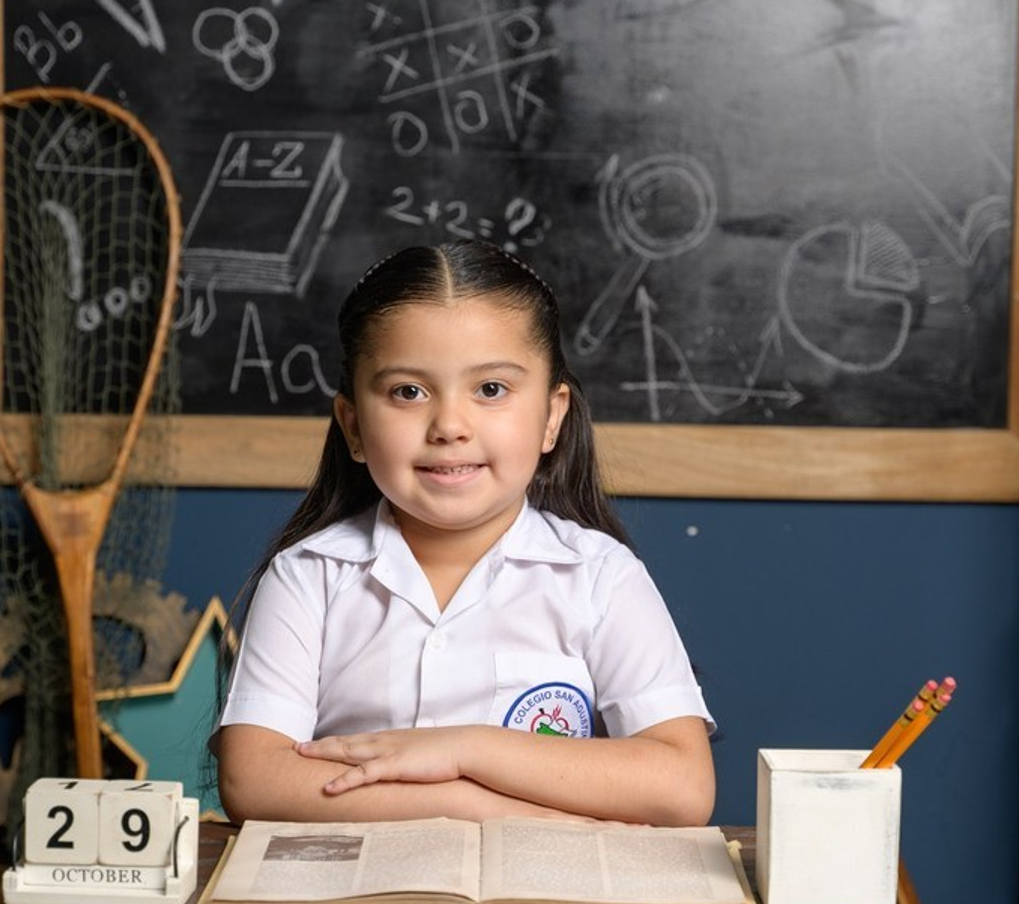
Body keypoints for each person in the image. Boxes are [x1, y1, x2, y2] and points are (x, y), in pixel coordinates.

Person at [214, 240, 715, 829]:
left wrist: (464, 749)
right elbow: (253, 780)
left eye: (491, 390)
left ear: (552, 417)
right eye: (408, 392)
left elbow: (682, 786)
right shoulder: (309, 575)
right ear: (352, 425)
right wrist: (465, 803)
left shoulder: (600, 575)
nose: (449, 426)